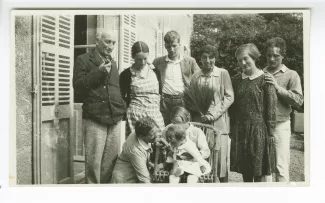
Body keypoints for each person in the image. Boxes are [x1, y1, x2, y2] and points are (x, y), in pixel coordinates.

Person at [73, 31, 126, 183]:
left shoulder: (113, 62)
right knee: (93, 163)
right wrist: (99, 71)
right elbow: (77, 86)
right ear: (97, 41)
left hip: (113, 116)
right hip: (95, 117)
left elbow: (114, 88)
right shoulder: (83, 59)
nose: (111, 46)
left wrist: (122, 107)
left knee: (110, 162)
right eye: (108, 42)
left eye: (114, 43)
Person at [230, 43, 277, 182]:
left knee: (258, 172)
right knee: (245, 172)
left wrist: (271, 132)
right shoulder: (237, 80)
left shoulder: (265, 79)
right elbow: (233, 106)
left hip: (258, 132)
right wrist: (233, 128)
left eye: (245, 58)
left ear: (254, 57)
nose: (243, 63)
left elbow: (271, 108)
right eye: (239, 60)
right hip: (241, 130)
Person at [190, 45, 234, 182]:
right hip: (200, 122)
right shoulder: (195, 77)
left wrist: (213, 114)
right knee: (203, 157)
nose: (208, 60)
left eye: (211, 57)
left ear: (215, 58)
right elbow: (190, 98)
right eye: (204, 57)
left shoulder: (222, 73)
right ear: (200, 59)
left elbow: (229, 97)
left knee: (220, 159)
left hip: (219, 122)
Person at [263, 37, 303, 182]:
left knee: (281, 168)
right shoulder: (260, 74)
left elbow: (299, 101)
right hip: (263, 126)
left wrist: (277, 87)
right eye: (269, 55)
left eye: (276, 55)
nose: (272, 58)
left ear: (283, 56)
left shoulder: (291, 75)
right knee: (265, 170)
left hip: (281, 125)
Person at [153, 30, 200, 125]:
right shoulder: (158, 62)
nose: (171, 49)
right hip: (164, 101)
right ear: (165, 46)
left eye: (174, 46)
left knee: (182, 127)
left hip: (182, 99)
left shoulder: (190, 61)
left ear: (180, 45)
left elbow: (199, 79)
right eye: (168, 46)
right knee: (164, 127)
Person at [120, 41, 165, 134]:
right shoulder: (126, 74)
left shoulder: (155, 71)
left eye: (145, 58)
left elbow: (159, 92)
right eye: (139, 59)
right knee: (138, 144)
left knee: (159, 141)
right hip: (135, 115)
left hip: (154, 114)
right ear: (133, 57)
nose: (142, 62)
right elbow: (123, 98)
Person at [110, 117, 161, 183]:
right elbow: (145, 180)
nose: (156, 136)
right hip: (124, 183)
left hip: (134, 177)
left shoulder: (139, 131)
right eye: (152, 135)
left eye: (156, 132)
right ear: (141, 136)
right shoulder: (135, 150)